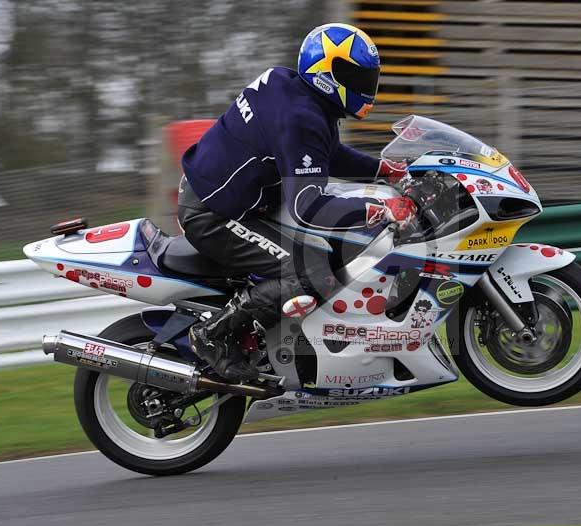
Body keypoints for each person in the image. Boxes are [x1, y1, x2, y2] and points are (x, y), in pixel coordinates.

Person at [177, 23, 417, 382]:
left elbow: (325, 154)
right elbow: (308, 207)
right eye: (354, 75)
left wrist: (385, 169)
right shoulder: (301, 117)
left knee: (332, 247)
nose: (366, 86)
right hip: (213, 213)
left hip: (227, 196)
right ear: (325, 73)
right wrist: (381, 210)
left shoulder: (292, 90)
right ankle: (212, 336)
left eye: (368, 77)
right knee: (310, 270)